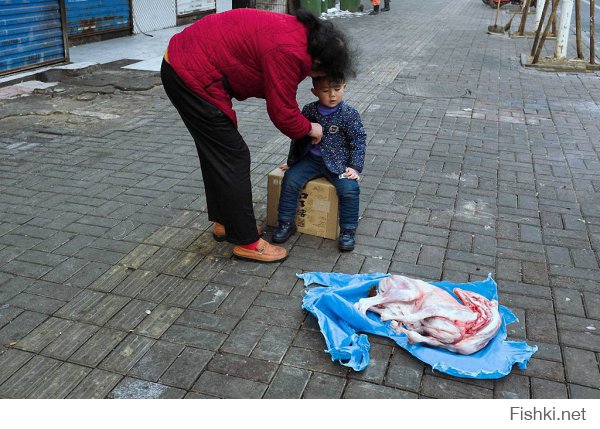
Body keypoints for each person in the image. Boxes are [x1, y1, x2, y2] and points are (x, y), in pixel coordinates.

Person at [160, 9, 355, 263]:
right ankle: (247, 242)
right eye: (321, 76)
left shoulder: (301, 35)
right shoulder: (289, 51)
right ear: (318, 62)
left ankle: (227, 223)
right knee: (234, 156)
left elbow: (277, 89)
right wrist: (310, 128)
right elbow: (282, 112)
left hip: (185, 59)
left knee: (218, 153)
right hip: (190, 73)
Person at [272, 75, 367, 251]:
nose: (332, 95)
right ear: (314, 91)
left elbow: (358, 141)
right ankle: (285, 223)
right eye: (325, 91)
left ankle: (347, 231)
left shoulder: (349, 114)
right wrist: (292, 162)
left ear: (344, 87)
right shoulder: (309, 110)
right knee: (290, 180)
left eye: (337, 89)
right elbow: (298, 138)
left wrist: (354, 167)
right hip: (311, 160)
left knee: (349, 190)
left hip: (338, 163)